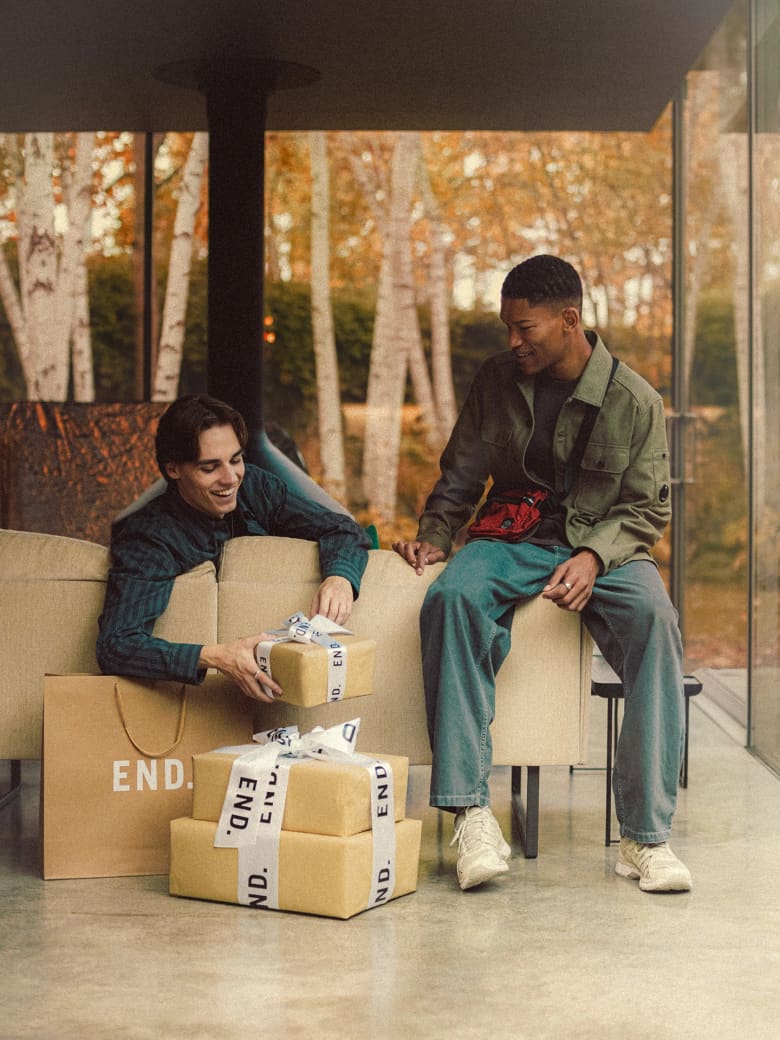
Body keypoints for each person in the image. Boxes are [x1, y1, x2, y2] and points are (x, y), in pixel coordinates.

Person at [393, 254, 691, 894]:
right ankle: (471, 815)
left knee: (655, 622)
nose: (513, 341)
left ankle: (644, 839)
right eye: (508, 327)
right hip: (512, 533)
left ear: (568, 320)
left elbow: (647, 508)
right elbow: (463, 472)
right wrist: (435, 537)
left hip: (604, 544)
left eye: (524, 328)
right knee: (451, 600)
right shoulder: (497, 380)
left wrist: (592, 558)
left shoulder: (634, 399)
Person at [97, 394, 370, 703]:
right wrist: (216, 657)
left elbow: (342, 527)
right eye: (210, 467)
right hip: (198, 703)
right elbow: (117, 646)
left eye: (236, 459)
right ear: (173, 469)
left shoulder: (257, 486)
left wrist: (340, 578)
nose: (231, 479)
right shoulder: (148, 538)